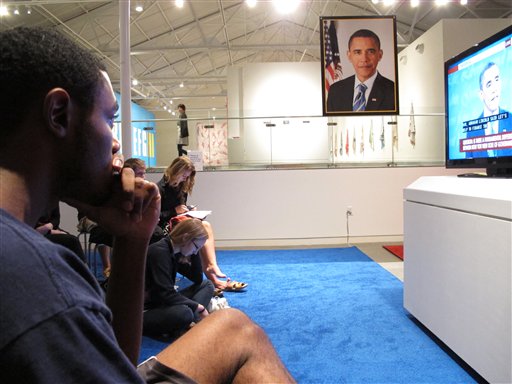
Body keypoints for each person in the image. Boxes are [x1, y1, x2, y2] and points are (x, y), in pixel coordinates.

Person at [0, 26, 294, 383]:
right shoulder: (39, 274)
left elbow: (116, 361)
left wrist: (132, 238)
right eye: (109, 120)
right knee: (242, 334)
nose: (115, 144)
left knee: (232, 326)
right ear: (59, 114)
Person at [157, 156, 247, 291]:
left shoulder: (181, 187)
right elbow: (156, 216)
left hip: (179, 223)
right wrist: (173, 211)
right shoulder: (159, 189)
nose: (184, 179)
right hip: (165, 226)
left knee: (204, 226)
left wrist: (188, 210)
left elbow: (181, 209)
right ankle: (212, 272)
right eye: (183, 176)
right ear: (175, 171)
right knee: (202, 227)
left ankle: (212, 269)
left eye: (187, 177)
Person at [144, 218, 214, 339]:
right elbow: (165, 294)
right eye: (196, 246)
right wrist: (199, 307)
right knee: (184, 313)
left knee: (207, 284)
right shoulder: (159, 252)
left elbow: (197, 278)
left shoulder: (176, 251)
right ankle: (186, 323)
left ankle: (186, 325)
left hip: (160, 302)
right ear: (185, 237)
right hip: (145, 309)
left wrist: (195, 252)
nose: (196, 251)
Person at [327, 28, 396, 113]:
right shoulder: (336, 91)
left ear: (380, 55)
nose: (364, 59)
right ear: (349, 56)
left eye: (370, 52)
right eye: (358, 52)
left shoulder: (393, 91)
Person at [466, 62, 512, 158]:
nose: (494, 89)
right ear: (481, 94)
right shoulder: (472, 131)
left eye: (497, 80)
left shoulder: (510, 120)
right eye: (489, 84)